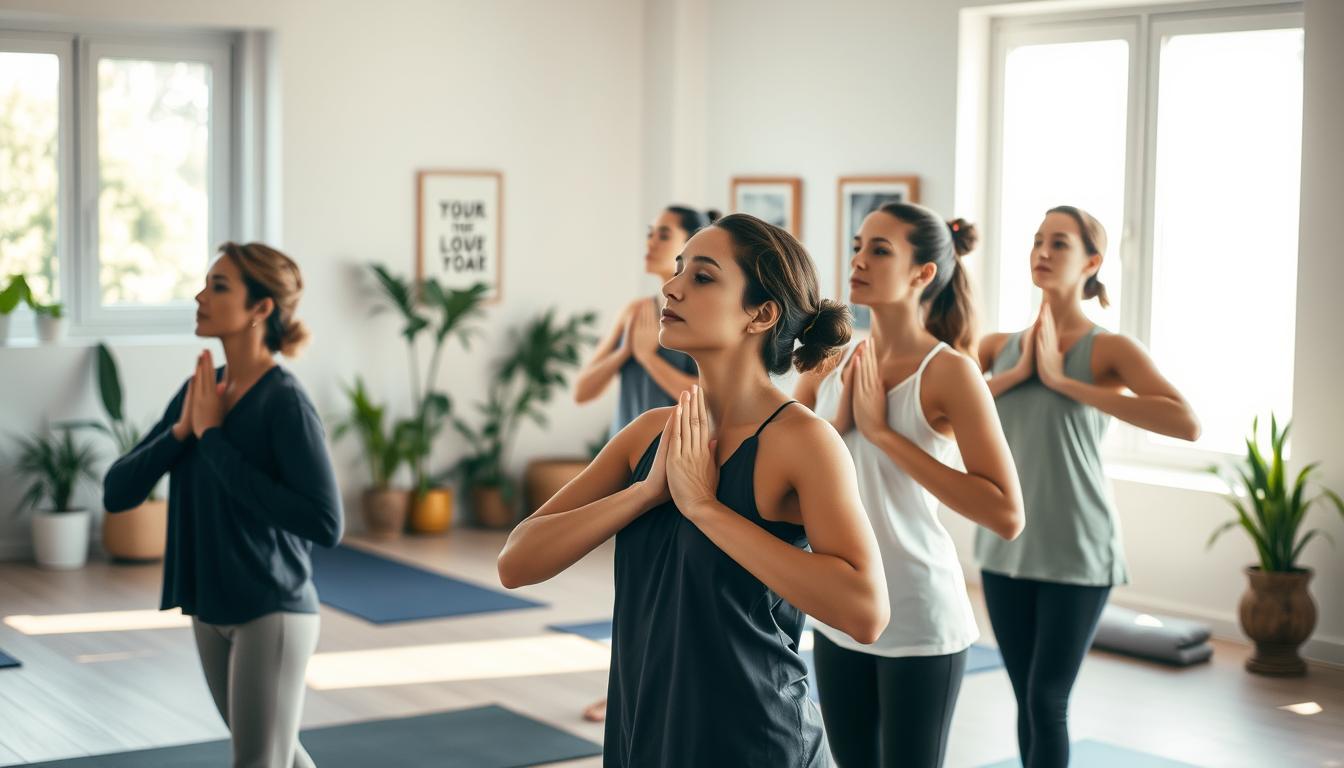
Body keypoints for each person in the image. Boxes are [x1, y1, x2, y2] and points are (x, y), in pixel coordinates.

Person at [499, 214, 889, 766]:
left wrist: (704, 508)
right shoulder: (647, 437)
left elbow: (865, 612)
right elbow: (516, 562)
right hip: (645, 739)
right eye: (678, 270)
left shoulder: (803, 442)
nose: (671, 286)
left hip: (758, 745)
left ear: (761, 313)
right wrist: (642, 494)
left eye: (703, 277)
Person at [796, 202, 1024, 768]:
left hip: (920, 615)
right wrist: (838, 427)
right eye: (857, 245)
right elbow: (786, 471)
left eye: (880, 249)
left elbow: (1006, 513)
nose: (858, 260)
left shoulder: (950, 372)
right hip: (841, 608)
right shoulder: (830, 360)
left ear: (923, 274)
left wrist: (883, 433)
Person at [976, 206, 1200, 768]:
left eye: (1059, 243)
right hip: (1004, 549)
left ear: (1092, 262)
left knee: (1047, 699)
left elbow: (1184, 421)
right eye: (1036, 241)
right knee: (1024, 697)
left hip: (1077, 548)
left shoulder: (1108, 349)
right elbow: (948, 414)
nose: (1043, 252)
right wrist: (1017, 376)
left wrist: (1064, 383)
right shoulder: (995, 346)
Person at [104, 242, 343, 768]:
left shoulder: (284, 401)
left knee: (258, 761)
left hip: (271, 609)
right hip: (210, 605)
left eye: (219, 286)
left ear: (261, 309)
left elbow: (326, 523)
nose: (199, 295)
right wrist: (182, 433)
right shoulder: (201, 392)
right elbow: (117, 491)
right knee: (279, 755)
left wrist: (212, 440)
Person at [570, 205, 713, 722]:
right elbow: (583, 389)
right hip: (629, 465)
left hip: (684, 466)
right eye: (649, 233)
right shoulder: (636, 312)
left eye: (663, 235)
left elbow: (707, 397)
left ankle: (671, 690)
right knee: (633, 588)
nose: (650, 242)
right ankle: (627, 691)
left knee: (674, 587)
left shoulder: (698, 320)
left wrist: (650, 358)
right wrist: (625, 351)